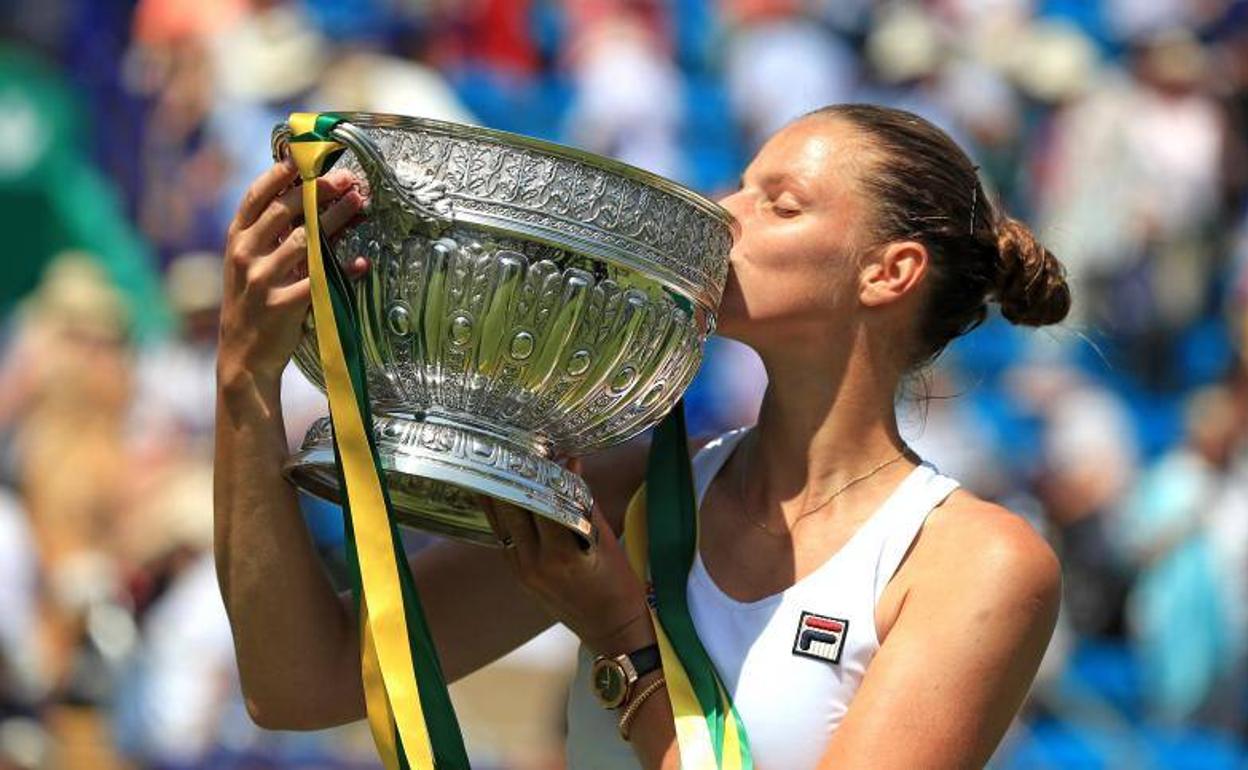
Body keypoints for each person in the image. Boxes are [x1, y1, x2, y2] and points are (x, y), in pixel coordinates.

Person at [214, 104, 1065, 769]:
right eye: (740, 186)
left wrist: (622, 632)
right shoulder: (628, 494)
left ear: (889, 273)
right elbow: (301, 684)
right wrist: (246, 377)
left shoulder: (974, 564)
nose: (725, 215)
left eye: (781, 205)